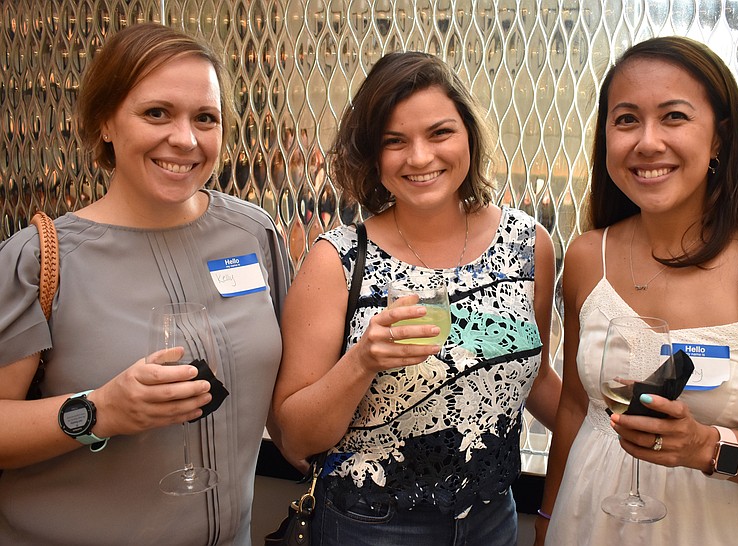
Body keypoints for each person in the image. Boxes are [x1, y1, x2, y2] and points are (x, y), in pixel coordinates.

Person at [534, 36, 738, 545]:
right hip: (584, 521)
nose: (647, 142)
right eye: (626, 119)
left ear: (720, 138)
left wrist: (708, 447)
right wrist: (546, 523)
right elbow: (576, 409)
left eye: (674, 117)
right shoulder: (589, 256)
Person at [0, 23, 288, 545]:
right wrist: (100, 411)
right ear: (106, 122)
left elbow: (290, 391)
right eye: (157, 113)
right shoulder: (40, 259)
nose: (186, 138)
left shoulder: (254, 233)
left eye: (206, 118)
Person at [273, 51, 562, 545]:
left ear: (468, 135)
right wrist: (362, 361)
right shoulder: (338, 258)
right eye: (395, 142)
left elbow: (532, 380)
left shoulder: (527, 243)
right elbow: (293, 438)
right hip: (371, 524)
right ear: (372, 156)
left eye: (440, 133)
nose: (421, 157)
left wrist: (615, 421)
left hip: (493, 518)